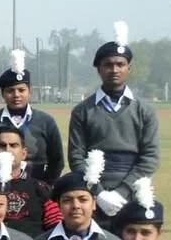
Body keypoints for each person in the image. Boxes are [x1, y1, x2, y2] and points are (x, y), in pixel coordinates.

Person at [67, 21, 159, 226]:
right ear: (98, 69)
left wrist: (123, 190)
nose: (114, 69)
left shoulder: (144, 110)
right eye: (108, 64)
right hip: (93, 195)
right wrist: (98, 193)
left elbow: (150, 157)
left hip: (133, 190)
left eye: (120, 64)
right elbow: (76, 157)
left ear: (129, 68)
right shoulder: (83, 110)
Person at [0, 50, 64, 183]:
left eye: (21, 90)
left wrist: (46, 186)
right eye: (10, 91)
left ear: (30, 92)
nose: (16, 95)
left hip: (36, 185)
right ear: (2, 94)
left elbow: (57, 161)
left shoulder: (46, 121)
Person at [0, 129, 61, 238]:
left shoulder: (41, 188)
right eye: (1, 145)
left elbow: (56, 224)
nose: (7, 150)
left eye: (13, 145)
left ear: (24, 153)